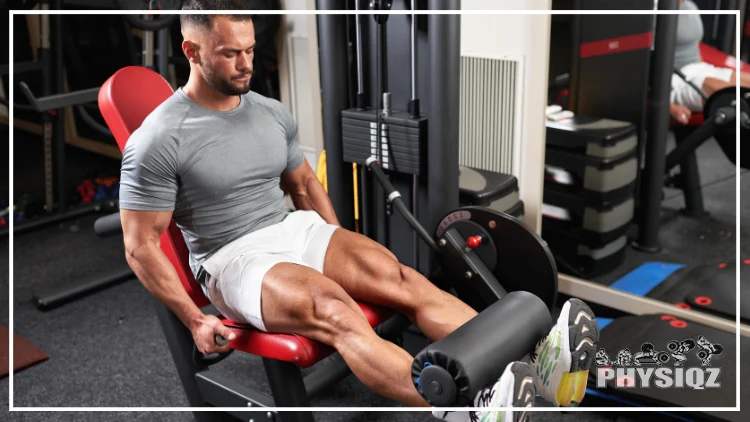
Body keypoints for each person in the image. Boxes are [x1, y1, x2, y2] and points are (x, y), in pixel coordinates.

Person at [118, 1, 600, 419]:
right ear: (191, 51)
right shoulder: (160, 138)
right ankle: (473, 409)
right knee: (334, 308)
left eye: (248, 49)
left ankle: (539, 365)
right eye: (230, 54)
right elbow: (141, 246)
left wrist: (337, 244)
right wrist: (194, 318)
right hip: (233, 259)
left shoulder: (268, 110)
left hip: (292, 230)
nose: (246, 64)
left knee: (401, 277)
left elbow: (304, 183)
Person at [669, 0, 750, 124]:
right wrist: (670, 107)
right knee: (732, 93)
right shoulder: (653, 11)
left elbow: (695, 46)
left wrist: (710, 71)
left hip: (699, 67)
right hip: (674, 79)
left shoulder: (690, 6)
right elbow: (641, 64)